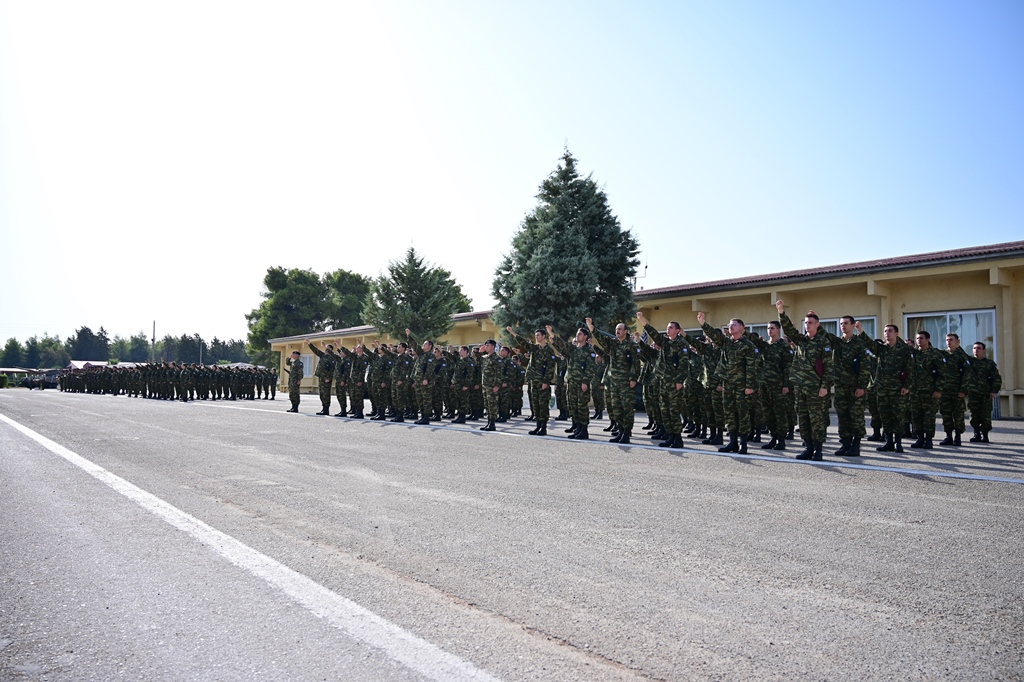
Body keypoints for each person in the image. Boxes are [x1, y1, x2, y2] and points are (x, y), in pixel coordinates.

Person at [776, 301, 834, 460]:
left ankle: (818, 450)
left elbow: (829, 367)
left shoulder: (823, 342)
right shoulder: (801, 340)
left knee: (817, 420)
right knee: (803, 419)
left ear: (818, 325)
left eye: (810, 323)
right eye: (806, 323)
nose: (807, 325)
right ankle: (808, 448)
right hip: (800, 388)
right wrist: (781, 313)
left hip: (816, 388)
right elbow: (788, 329)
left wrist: (825, 386)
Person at [698, 312, 758, 454]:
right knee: (729, 414)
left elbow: (752, 367)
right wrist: (703, 324)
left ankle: (743, 444)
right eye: (729, 325)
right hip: (728, 385)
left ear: (742, 328)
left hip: (742, 386)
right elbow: (714, 335)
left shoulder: (748, 345)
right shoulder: (727, 342)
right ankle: (732, 443)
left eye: (734, 325)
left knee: (742, 414)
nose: (730, 327)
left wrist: (750, 386)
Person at [637, 311, 690, 448]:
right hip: (663, 381)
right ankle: (670, 436)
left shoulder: (681, 344)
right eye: (667, 327)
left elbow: (684, 365)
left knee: (673, 411)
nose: (668, 329)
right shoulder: (665, 343)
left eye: (671, 327)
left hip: (673, 383)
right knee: (664, 410)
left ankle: (678, 439)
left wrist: (679, 381)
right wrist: (643, 321)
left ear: (678, 330)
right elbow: (653, 333)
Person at [857, 322, 912, 453]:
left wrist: (907, 386)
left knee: (897, 416)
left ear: (896, 333)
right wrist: (861, 331)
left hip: (897, 389)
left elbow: (910, 369)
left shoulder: (904, 349)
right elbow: (870, 345)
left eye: (890, 331)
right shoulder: (882, 348)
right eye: (885, 331)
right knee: (885, 416)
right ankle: (889, 442)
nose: (887, 333)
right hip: (882, 389)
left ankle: (898, 443)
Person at [587, 318, 643, 444]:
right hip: (613, 382)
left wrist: (633, 378)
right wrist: (592, 328)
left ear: (626, 331)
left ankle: (627, 433)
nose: (617, 331)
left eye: (619, 329)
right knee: (616, 407)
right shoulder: (613, 343)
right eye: (616, 329)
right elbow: (601, 339)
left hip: (626, 382)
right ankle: (620, 430)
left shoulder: (631, 345)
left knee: (626, 408)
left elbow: (636, 363)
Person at [548, 325, 599, 440]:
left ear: (586, 336)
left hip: (581, 383)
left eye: (580, 334)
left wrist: (585, 382)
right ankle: (578, 428)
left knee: (581, 407)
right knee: (573, 406)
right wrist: (552, 334)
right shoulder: (574, 349)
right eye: (577, 333)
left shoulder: (589, 351)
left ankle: (584, 430)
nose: (577, 335)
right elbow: (563, 346)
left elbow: (591, 368)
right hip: (571, 382)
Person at [506, 326, 558, 436]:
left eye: (538, 335)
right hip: (534, 381)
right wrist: (513, 333)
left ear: (544, 336)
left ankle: (543, 428)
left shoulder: (548, 350)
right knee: (536, 405)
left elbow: (550, 367)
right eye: (535, 335)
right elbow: (524, 343)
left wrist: (546, 381)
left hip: (542, 382)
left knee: (543, 405)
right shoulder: (535, 348)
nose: (536, 337)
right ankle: (538, 426)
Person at [908, 330, 944, 449]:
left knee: (928, 417)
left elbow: (942, 374)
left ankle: (928, 440)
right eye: (917, 338)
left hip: (930, 391)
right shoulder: (914, 354)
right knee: (916, 416)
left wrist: (938, 390)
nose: (919, 340)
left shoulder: (935, 354)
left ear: (928, 339)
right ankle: (920, 438)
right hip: (915, 391)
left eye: (921, 338)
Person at [938, 333, 970, 446]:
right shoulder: (943, 355)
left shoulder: (962, 356)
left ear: (958, 342)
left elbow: (967, 374)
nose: (948, 342)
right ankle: (948, 436)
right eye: (947, 340)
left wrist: (963, 390)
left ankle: (958, 436)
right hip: (945, 391)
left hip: (957, 391)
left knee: (958, 415)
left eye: (951, 340)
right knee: (946, 414)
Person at [966, 342, 1001, 443]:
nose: (976, 350)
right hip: (973, 393)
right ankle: (976, 433)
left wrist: (994, 391)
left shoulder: (989, 364)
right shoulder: (969, 362)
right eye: (974, 348)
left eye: (979, 348)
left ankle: (985, 435)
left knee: (985, 415)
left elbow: (996, 378)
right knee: (974, 414)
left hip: (985, 394)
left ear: (983, 350)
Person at [308, 341, 337, 415]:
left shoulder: (332, 358)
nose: (325, 349)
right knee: (321, 393)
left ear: (330, 349)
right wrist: (309, 343)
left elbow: (332, 369)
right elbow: (315, 350)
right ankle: (323, 408)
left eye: (327, 348)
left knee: (326, 394)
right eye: (325, 348)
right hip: (321, 377)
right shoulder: (323, 355)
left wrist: (328, 378)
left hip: (326, 379)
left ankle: (326, 409)